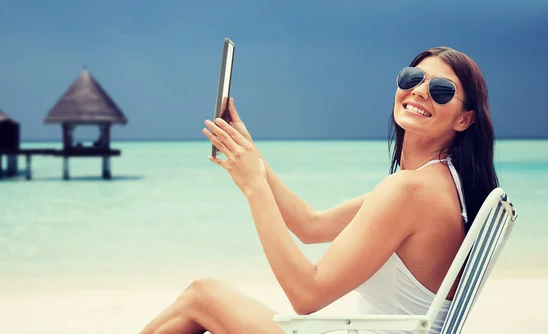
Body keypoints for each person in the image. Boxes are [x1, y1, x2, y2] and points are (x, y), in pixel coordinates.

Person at [139, 46, 499, 334]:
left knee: (203, 296)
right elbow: (311, 225)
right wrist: (252, 157)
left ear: (464, 118)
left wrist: (253, 187)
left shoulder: (411, 189)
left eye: (441, 90)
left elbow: (306, 295)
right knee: (203, 296)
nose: (420, 90)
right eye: (413, 77)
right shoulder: (438, 183)